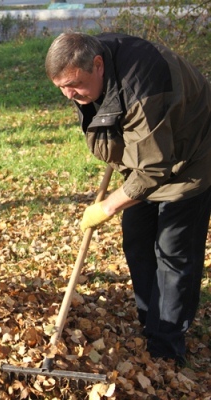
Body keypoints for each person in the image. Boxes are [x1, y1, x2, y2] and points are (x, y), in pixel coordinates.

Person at [45, 32, 211, 366]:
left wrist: (107, 206)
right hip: (152, 156)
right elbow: (119, 131)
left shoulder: (144, 84)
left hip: (193, 155)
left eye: (73, 85)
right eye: (61, 87)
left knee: (174, 252)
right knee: (137, 239)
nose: (68, 94)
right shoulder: (91, 71)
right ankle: (150, 322)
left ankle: (167, 348)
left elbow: (154, 167)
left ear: (97, 65)